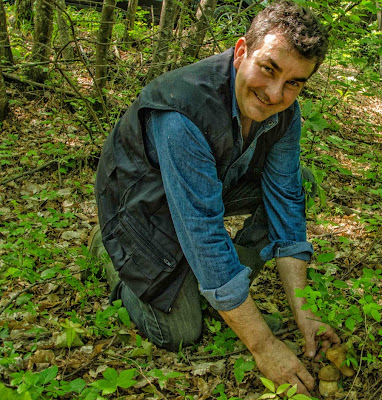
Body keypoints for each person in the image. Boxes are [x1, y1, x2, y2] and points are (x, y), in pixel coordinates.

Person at [90, 0, 340, 394]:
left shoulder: (285, 115)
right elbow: (205, 233)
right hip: (139, 205)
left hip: (205, 187)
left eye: (294, 82)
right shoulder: (182, 112)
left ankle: (219, 294)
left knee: (301, 181)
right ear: (242, 52)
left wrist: (305, 313)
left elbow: (286, 203)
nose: (276, 94)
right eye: (269, 69)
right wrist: (262, 345)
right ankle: (108, 251)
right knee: (179, 333)